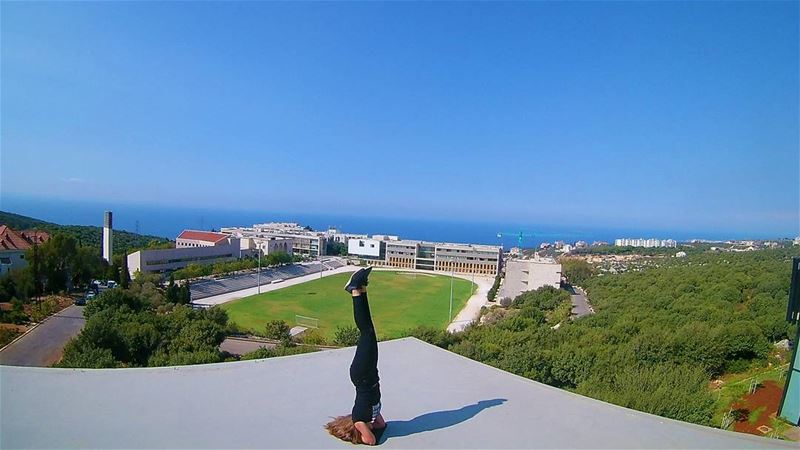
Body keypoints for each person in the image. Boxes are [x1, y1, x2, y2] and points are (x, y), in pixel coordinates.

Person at [325, 267, 387, 445]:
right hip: (369, 375)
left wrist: (366, 426)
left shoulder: (360, 417)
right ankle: (360, 288)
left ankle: (354, 289)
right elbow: (383, 425)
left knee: (366, 333)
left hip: (362, 375)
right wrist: (375, 424)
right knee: (369, 331)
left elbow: (372, 441)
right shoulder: (373, 415)